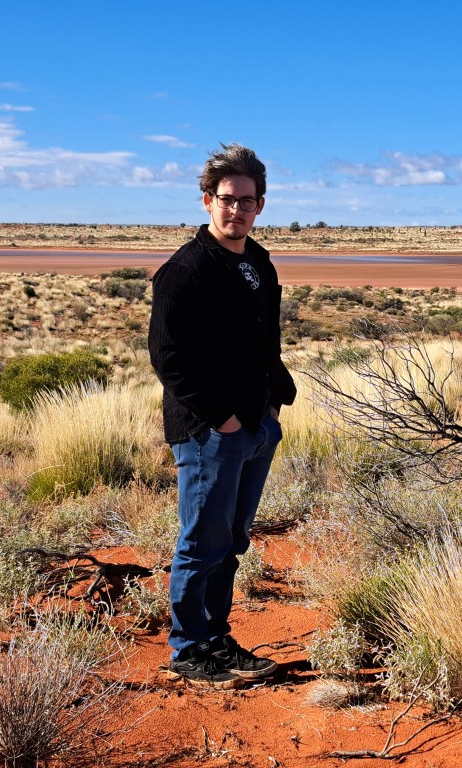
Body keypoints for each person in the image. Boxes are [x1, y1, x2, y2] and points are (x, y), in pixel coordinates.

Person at [148, 143, 297, 688]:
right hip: (209, 431)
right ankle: (188, 648)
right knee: (201, 542)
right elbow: (168, 358)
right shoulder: (184, 271)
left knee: (231, 541)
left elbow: (265, 339)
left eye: (247, 201)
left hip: (255, 425)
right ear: (207, 200)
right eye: (227, 199)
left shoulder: (257, 263)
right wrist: (223, 421)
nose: (237, 210)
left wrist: (273, 403)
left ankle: (216, 639)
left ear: (260, 205)